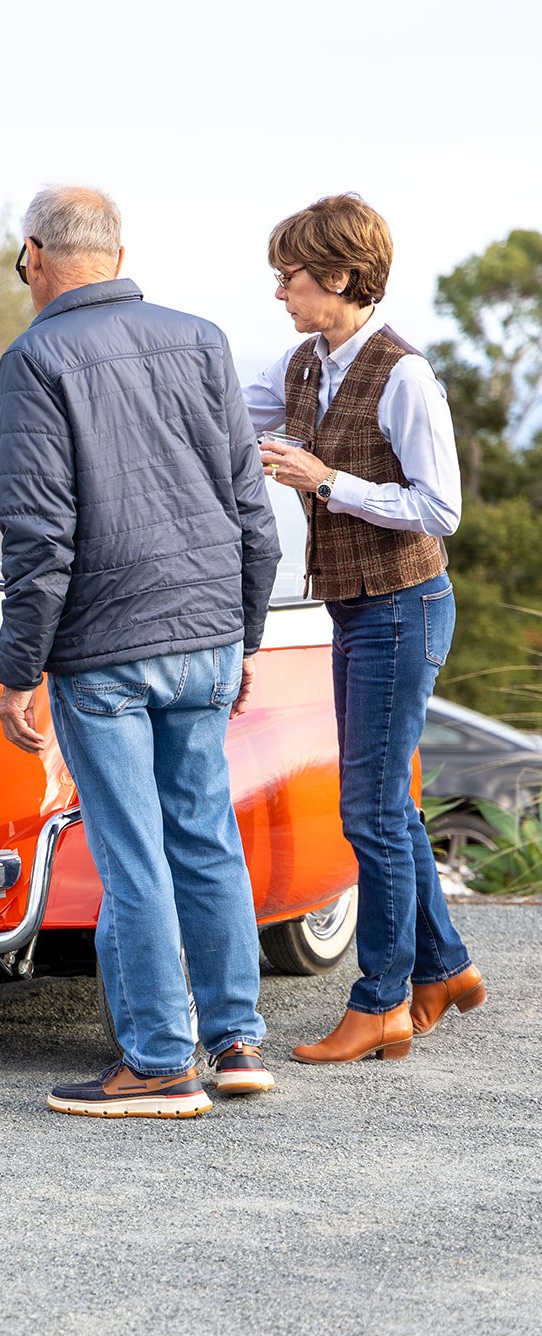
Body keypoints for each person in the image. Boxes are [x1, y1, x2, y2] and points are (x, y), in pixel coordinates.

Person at [0, 185, 281, 1118]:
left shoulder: (36, 356)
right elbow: (251, 509)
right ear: (116, 253)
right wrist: (244, 636)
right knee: (205, 837)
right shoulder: (201, 339)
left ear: (34, 254)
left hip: (107, 646)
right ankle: (234, 1040)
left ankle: (158, 1062)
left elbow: (40, 533)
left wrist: (18, 670)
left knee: (131, 853)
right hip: (205, 634)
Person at [245, 193, 486, 1064]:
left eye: (292, 276)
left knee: (371, 813)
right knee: (390, 807)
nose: (279, 291)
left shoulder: (405, 375)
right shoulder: (304, 362)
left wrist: (323, 478)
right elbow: (229, 411)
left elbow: (440, 509)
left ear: (341, 277)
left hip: (404, 606)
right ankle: (445, 967)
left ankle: (381, 1000)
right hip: (354, 608)